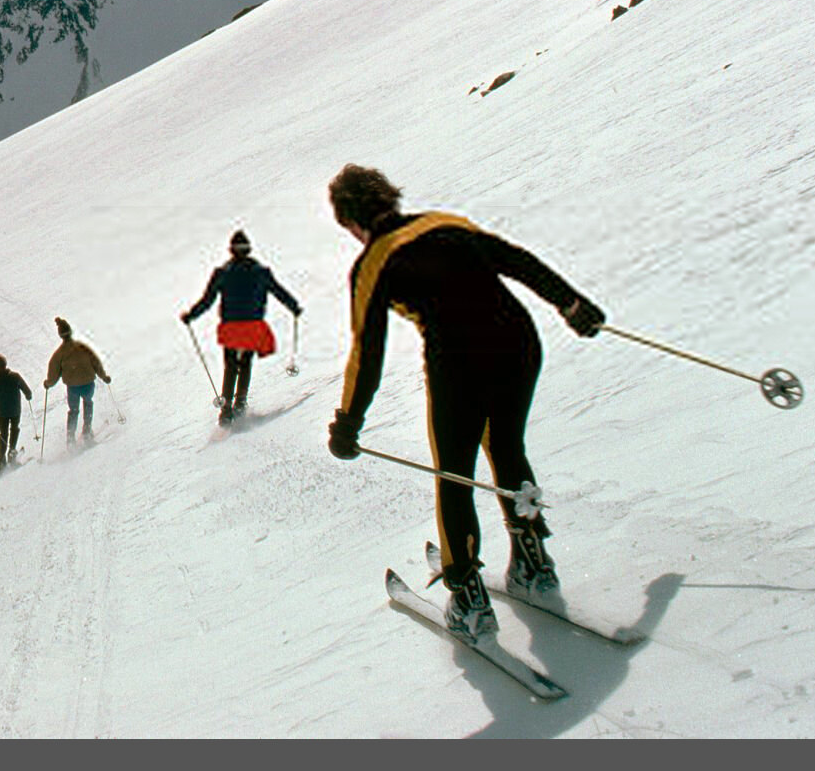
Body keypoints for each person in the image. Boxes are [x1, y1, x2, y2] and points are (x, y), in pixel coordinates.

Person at [323, 165, 606, 640]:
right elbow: (519, 261)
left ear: (352, 223)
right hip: (518, 344)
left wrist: (348, 422)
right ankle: (534, 564)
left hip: (459, 367)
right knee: (507, 447)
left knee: (453, 474)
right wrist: (572, 304)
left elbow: (366, 353)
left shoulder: (373, 262)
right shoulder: (445, 221)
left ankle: (469, 599)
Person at [182, 228, 303, 425]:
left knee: (230, 364)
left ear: (231, 250)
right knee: (245, 362)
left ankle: (226, 409)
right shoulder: (261, 272)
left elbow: (208, 300)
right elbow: (279, 291)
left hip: (230, 326)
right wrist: (294, 307)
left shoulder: (221, 273)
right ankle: (240, 403)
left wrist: (191, 316)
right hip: (253, 325)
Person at [44, 317, 112, 445]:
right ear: (70, 332)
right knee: (88, 403)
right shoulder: (83, 347)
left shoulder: (59, 354)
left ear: (60, 335)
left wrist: (48, 383)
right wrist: (104, 376)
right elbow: (95, 362)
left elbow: (53, 374)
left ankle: (70, 438)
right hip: (88, 383)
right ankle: (87, 432)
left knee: (73, 410)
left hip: (73, 387)